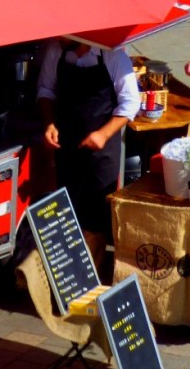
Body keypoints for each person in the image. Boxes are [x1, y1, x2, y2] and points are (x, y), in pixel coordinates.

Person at [37, 38, 140, 273]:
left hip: (102, 151)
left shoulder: (113, 56)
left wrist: (103, 134)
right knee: (69, 210)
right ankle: (70, 274)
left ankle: (88, 276)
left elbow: (130, 103)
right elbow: (45, 90)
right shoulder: (57, 50)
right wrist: (49, 123)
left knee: (95, 217)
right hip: (67, 147)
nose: (59, 38)